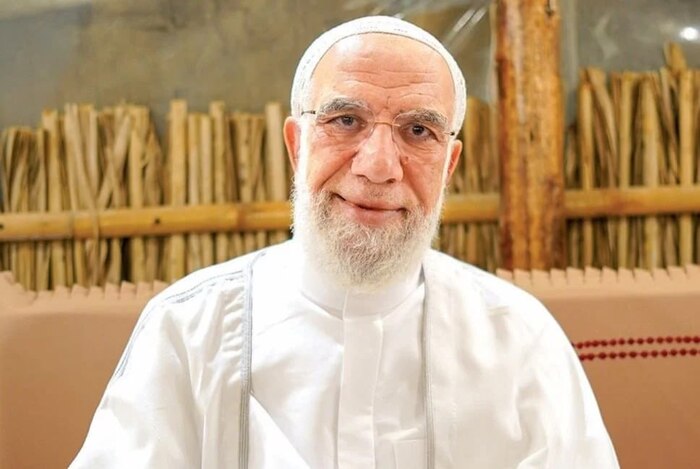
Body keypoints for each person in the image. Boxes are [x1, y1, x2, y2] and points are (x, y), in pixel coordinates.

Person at [70, 16, 619, 469]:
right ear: (297, 145)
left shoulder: (519, 341)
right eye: (346, 120)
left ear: (448, 165)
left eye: (418, 131)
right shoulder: (188, 330)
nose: (378, 166)